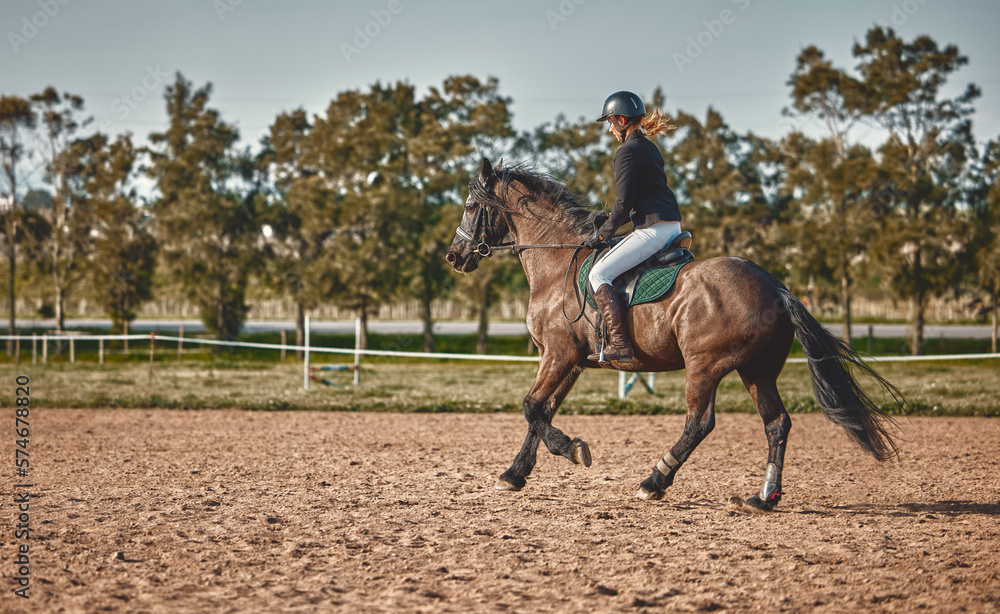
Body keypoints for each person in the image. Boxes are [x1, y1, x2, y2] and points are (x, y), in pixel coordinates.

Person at [584, 91, 682, 363]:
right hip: (670, 225)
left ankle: (620, 343)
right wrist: (607, 224)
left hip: (653, 230)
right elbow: (638, 202)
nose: (610, 129)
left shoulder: (626, 152)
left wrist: (601, 235)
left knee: (598, 275)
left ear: (622, 120)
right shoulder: (649, 147)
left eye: (611, 122)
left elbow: (624, 203)